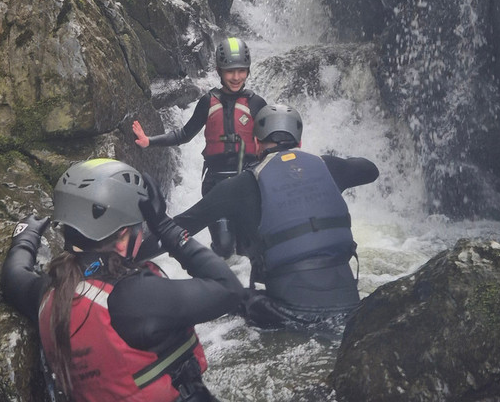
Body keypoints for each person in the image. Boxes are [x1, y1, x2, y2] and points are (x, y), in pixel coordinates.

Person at [0, 158, 244, 401]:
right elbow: (230, 289)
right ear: (123, 237)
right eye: (140, 228)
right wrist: (165, 226)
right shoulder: (139, 297)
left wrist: (26, 234)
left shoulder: (48, 292)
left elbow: (13, 276)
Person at [153, 104, 379, 332]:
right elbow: (370, 170)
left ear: (256, 143)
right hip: (349, 308)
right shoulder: (328, 167)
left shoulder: (240, 186)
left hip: (288, 314)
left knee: (234, 303)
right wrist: (332, 162)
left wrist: (128, 256)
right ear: (299, 142)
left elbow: (176, 228)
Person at [132, 36, 268, 257]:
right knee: (224, 247)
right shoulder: (208, 101)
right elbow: (184, 134)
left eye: (241, 71)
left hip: (247, 183)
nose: (236, 77)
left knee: (249, 249)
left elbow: (270, 142)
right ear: (219, 71)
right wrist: (150, 141)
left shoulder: (257, 104)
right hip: (217, 184)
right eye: (230, 71)